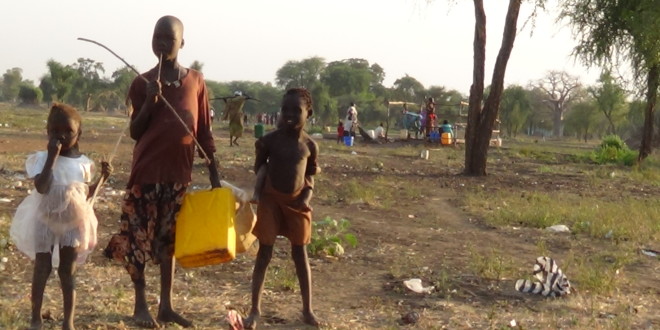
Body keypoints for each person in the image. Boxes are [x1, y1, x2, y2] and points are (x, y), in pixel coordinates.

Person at [103, 15, 221, 328]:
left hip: (178, 175)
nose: (162, 44)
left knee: (168, 242)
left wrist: (213, 170)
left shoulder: (195, 81)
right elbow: (135, 131)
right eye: (157, 37)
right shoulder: (141, 82)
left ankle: (166, 305)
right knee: (138, 240)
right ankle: (140, 305)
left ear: (182, 42)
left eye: (169, 38)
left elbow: (204, 130)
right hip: (146, 174)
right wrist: (149, 102)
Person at [10, 102, 111, 330]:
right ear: (47, 132)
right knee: (42, 268)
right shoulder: (40, 159)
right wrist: (51, 158)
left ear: (79, 134)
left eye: (68, 132)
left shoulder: (84, 164)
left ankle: (69, 321)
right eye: (55, 131)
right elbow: (42, 187)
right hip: (44, 219)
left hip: (72, 222)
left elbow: (86, 195)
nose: (61, 136)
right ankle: (36, 317)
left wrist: (102, 179)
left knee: (68, 271)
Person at [243, 88, 321, 329]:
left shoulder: (310, 146)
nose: (288, 114)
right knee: (264, 253)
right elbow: (260, 168)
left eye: (296, 110)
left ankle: (307, 310)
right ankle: (255, 310)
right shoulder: (269, 141)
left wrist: (306, 197)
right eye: (285, 109)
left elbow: (310, 176)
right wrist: (259, 191)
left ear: (308, 113)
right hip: (271, 200)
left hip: (298, 202)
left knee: (300, 254)